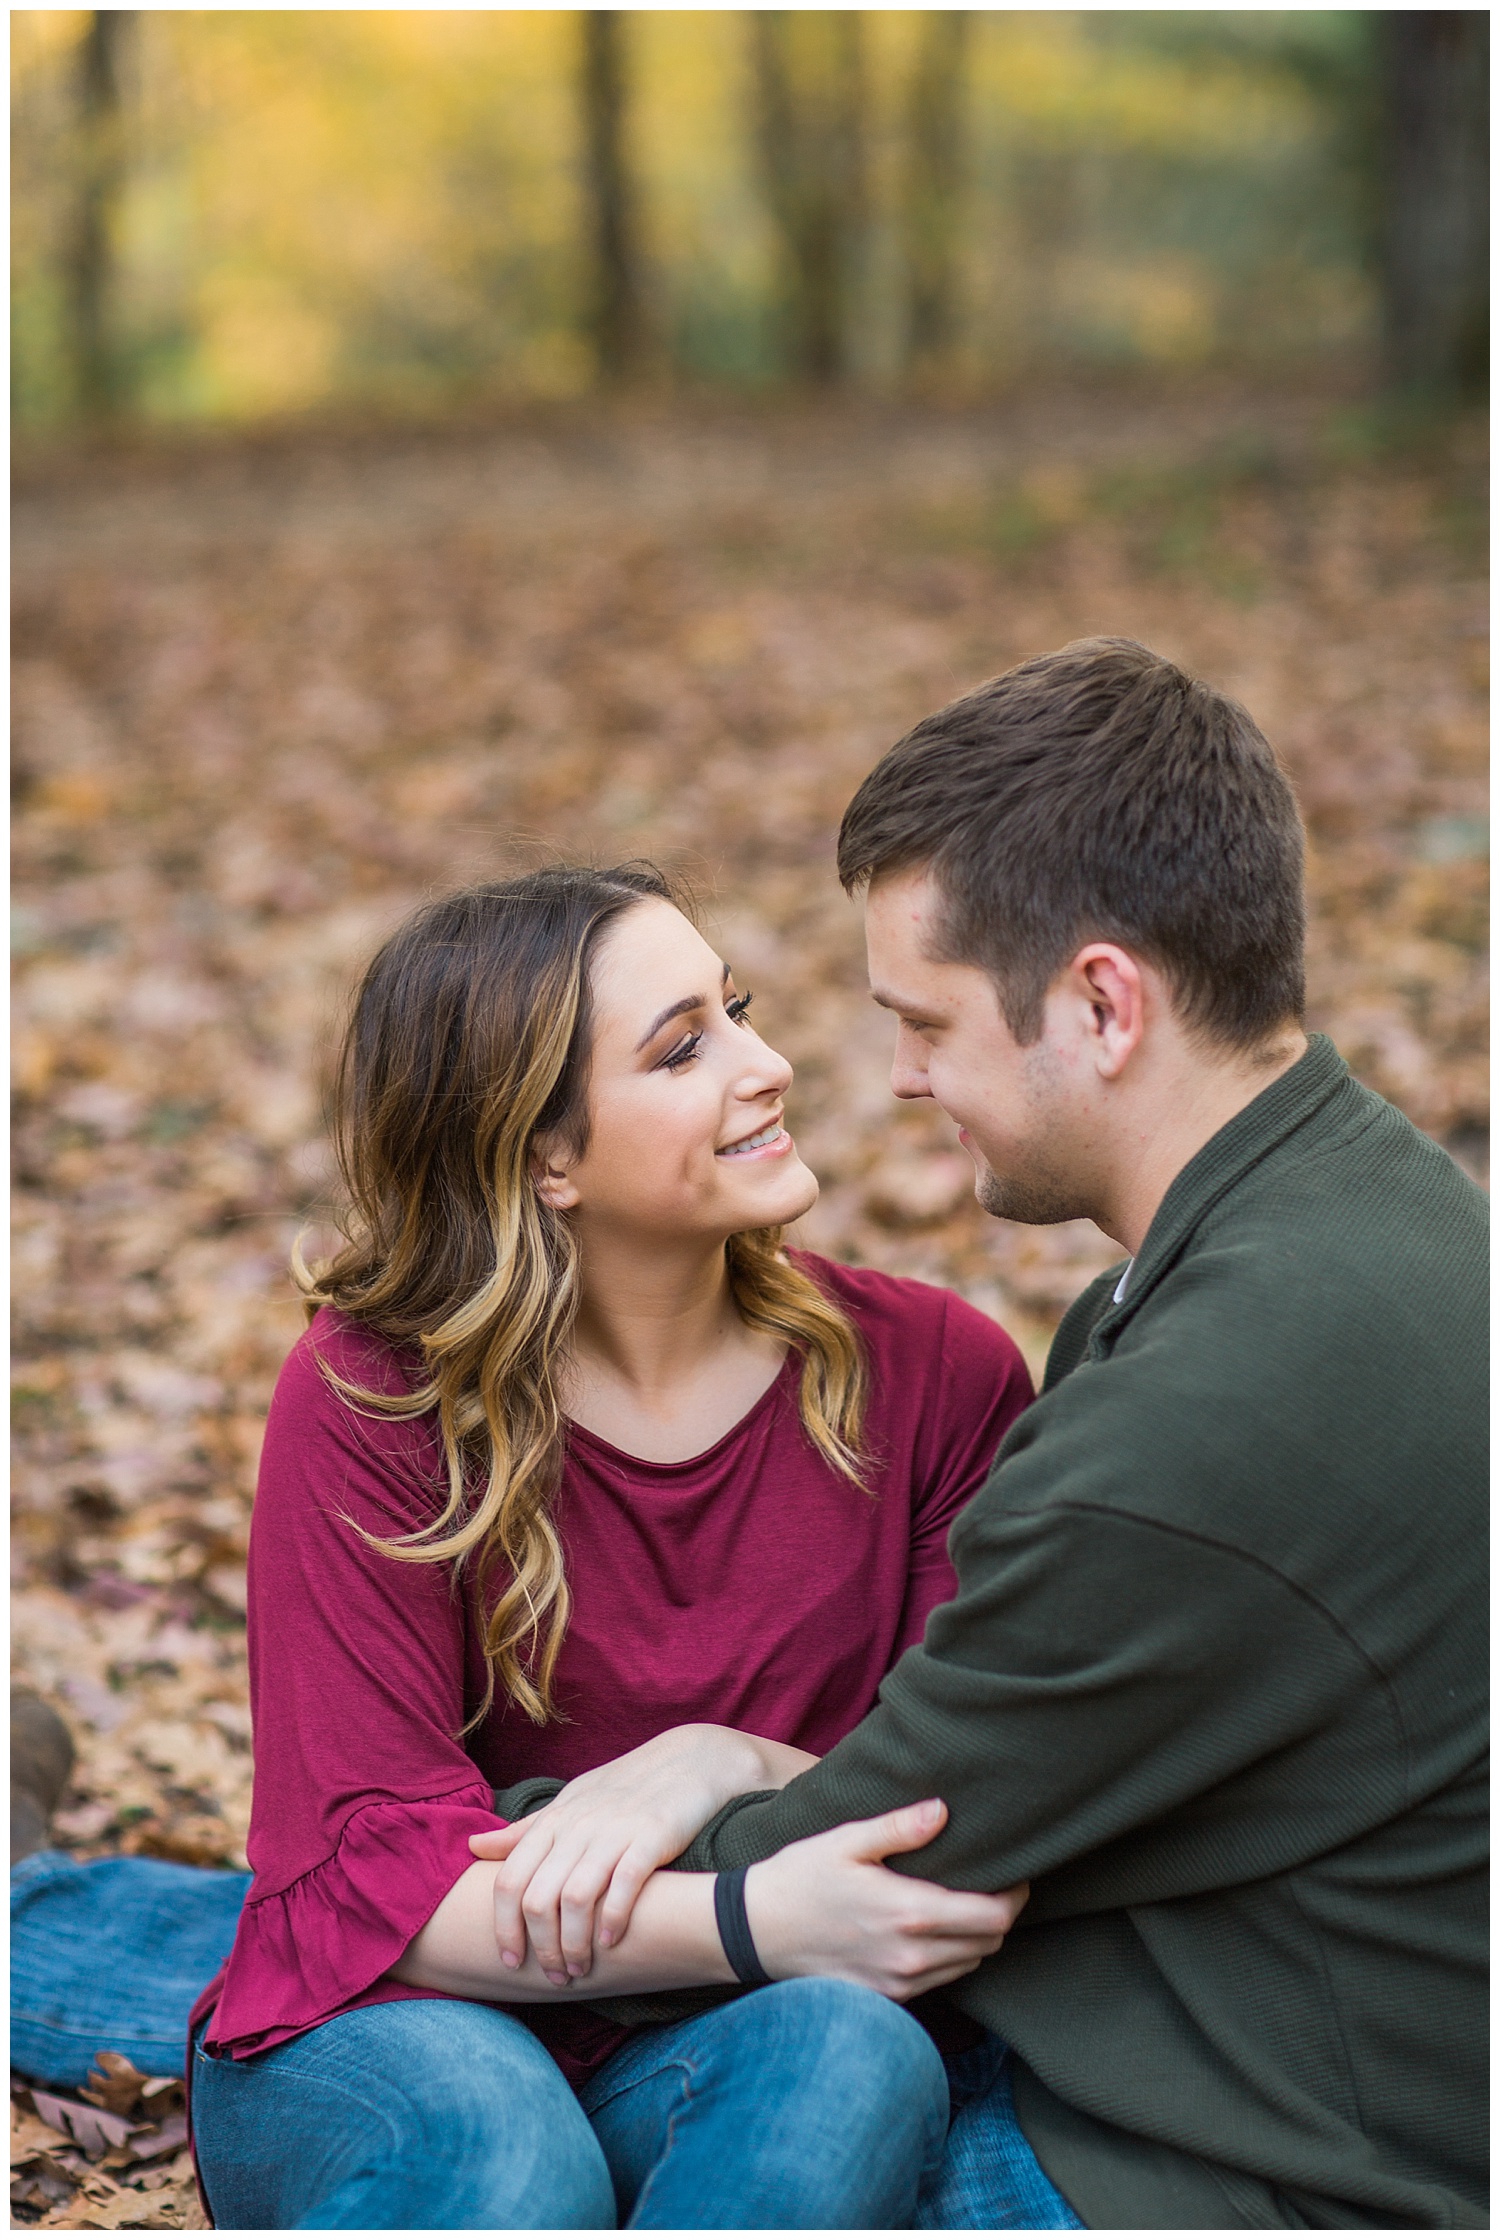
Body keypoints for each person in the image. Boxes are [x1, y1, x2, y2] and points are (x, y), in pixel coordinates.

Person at [496, 637, 1485, 2229]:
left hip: (1210, 2169)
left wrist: (474, 1846)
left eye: (930, 1024)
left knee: (407, 1985)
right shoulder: (1380, 1207)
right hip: (1260, 2039)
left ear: (1103, 1003)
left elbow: (864, 1855)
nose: (891, 1079)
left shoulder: (1196, 1424)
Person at [12, 861, 1052, 2231]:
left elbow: (955, 1803)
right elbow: (369, 1884)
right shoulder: (375, 1395)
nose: (772, 1064)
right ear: (542, 1156)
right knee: (508, 2158)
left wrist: (713, 1764)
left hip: (708, 2038)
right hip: (409, 2018)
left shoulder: (933, 1377)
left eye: (736, 1010)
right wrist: (754, 1918)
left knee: (853, 2052)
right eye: (685, 1048)